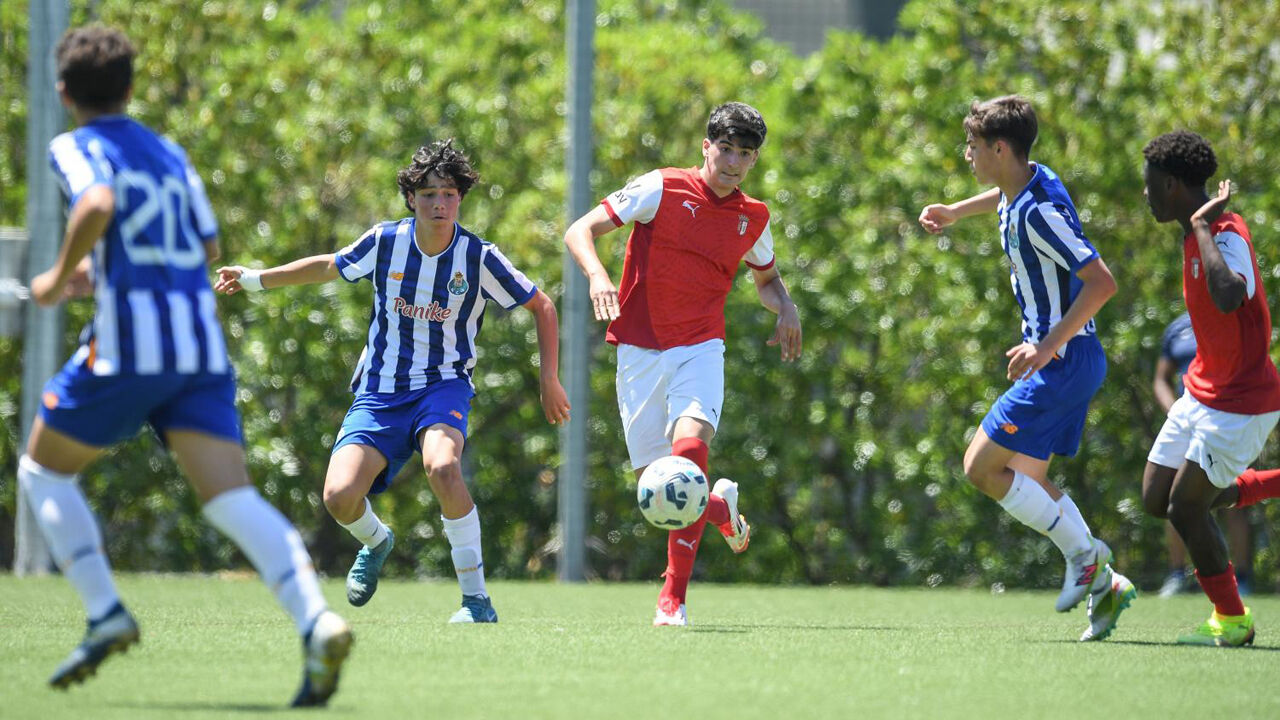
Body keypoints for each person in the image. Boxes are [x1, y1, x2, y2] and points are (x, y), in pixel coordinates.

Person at [22, 26, 349, 706]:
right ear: (130, 88)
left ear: (64, 93)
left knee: (42, 469)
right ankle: (317, 621)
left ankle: (105, 611)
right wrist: (101, 272)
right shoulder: (169, 151)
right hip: (198, 344)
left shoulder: (74, 145)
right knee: (231, 497)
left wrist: (55, 278)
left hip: (129, 348)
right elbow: (204, 246)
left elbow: (98, 202)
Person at [216, 139, 570, 624]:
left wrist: (549, 378)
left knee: (443, 467)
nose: (439, 204)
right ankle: (378, 540)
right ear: (410, 199)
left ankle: (476, 601)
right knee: (339, 497)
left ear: (460, 199)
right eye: (428, 195)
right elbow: (328, 266)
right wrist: (256, 278)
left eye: (448, 194)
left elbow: (542, 305)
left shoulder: (477, 257)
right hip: (380, 391)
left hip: (444, 385)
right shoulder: (386, 242)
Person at [563, 101, 803, 626]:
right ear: (706, 147)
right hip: (639, 352)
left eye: (745, 154)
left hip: (700, 348)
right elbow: (579, 231)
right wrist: (599, 277)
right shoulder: (661, 187)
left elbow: (766, 279)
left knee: (689, 456)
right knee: (657, 490)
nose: (733, 162)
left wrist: (785, 306)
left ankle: (672, 599)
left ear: (755, 160)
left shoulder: (753, 216)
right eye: (726, 149)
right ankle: (720, 509)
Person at [918, 95, 1134, 642]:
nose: (966, 154)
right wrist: (955, 211)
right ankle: (1104, 583)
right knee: (1029, 482)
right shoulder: (1026, 183)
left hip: (1063, 361)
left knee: (980, 468)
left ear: (999, 149)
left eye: (972, 146)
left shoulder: (1039, 213)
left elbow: (1102, 282)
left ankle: (1089, 559)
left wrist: (1044, 347)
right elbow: (1001, 196)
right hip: (1069, 360)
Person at [1141, 130, 1280, 645]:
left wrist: (1202, 225)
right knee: (1156, 499)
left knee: (1186, 508)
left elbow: (1228, 296)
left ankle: (1232, 618)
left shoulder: (1225, 230)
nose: (1146, 195)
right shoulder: (1194, 235)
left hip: (1242, 403)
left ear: (1172, 185)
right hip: (1201, 392)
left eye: (1150, 184)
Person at [1152, 313, 1255, 598]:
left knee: (1233, 498)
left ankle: (1242, 578)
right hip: (1186, 425)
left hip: (1227, 421)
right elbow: (1161, 379)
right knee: (1174, 497)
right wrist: (1176, 415)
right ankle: (1177, 575)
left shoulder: (1234, 317)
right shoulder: (1176, 328)